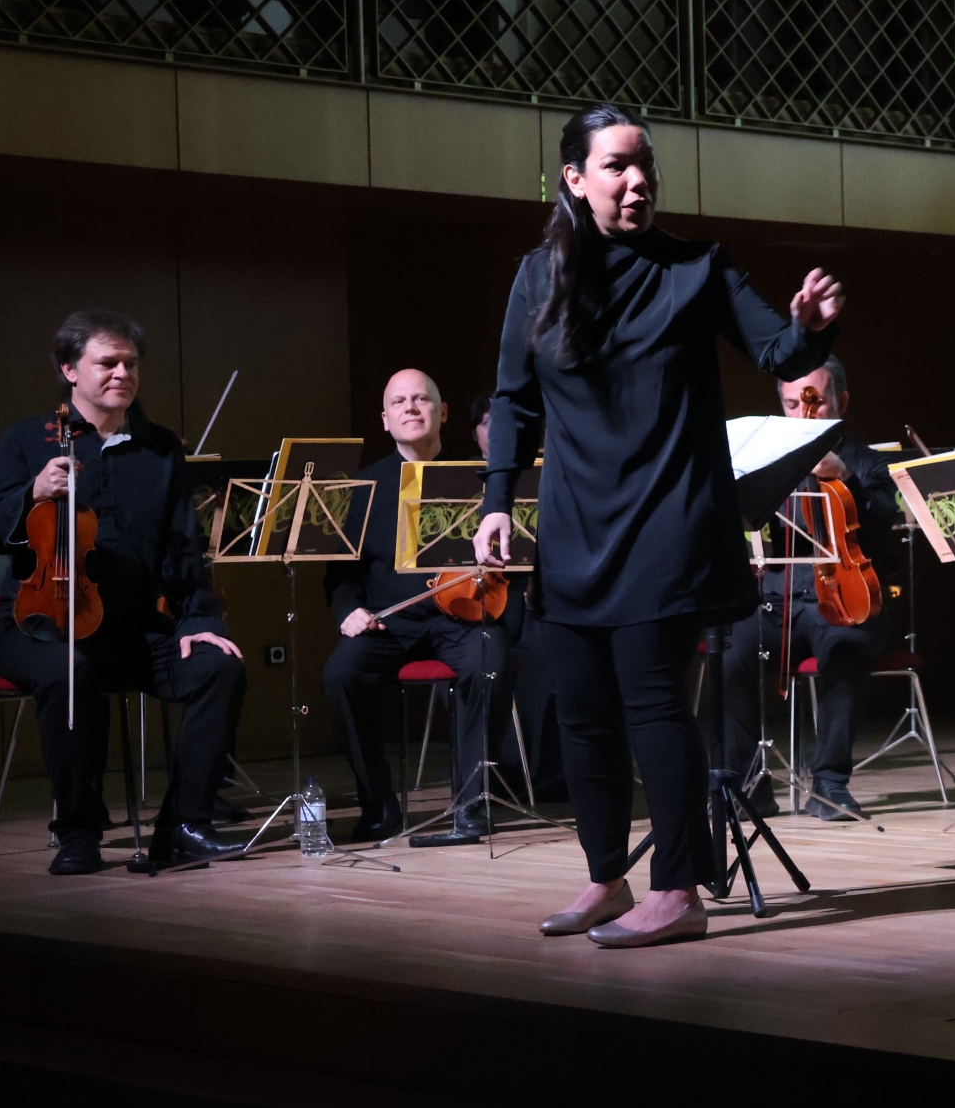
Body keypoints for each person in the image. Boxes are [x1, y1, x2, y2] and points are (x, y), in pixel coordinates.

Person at [475, 103, 844, 948]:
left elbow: (780, 354)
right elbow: (514, 398)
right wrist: (497, 500)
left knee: (653, 707)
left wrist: (810, 327)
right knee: (582, 713)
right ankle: (607, 878)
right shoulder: (539, 276)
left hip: (667, 524)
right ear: (576, 180)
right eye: (618, 166)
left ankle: (678, 889)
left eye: (645, 165)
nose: (638, 181)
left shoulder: (696, 266)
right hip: (574, 526)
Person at [0, 311, 249, 873]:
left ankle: (185, 824)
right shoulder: (27, 441)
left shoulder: (159, 448)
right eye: (107, 363)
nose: (122, 373)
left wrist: (200, 619)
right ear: (70, 370)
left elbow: (182, 546)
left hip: (130, 625)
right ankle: (78, 831)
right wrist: (33, 493)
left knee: (219, 668)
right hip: (36, 622)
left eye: (130, 364)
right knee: (69, 673)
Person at [322, 369, 511, 846]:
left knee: (489, 659)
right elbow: (341, 575)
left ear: (442, 412)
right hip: (390, 623)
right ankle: (379, 805)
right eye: (399, 402)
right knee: (341, 674)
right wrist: (348, 610)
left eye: (421, 399)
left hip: (461, 616)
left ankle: (471, 804)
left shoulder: (483, 480)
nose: (410, 408)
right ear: (385, 420)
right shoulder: (362, 487)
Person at [723, 357, 894, 821]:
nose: (805, 413)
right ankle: (749, 787)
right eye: (792, 404)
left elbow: (884, 524)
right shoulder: (766, 462)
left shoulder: (868, 462)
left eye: (815, 402)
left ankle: (830, 784)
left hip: (839, 599)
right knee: (731, 654)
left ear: (842, 401)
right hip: (775, 599)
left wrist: (847, 480)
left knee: (847, 647)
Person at [471, 395, 564, 804]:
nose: (496, 432)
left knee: (550, 654)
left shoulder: (547, 474)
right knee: (487, 656)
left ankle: (548, 776)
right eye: (487, 423)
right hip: (481, 601)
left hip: (538, 595)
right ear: (475, 433)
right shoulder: (457, 480)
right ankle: (498, 773)